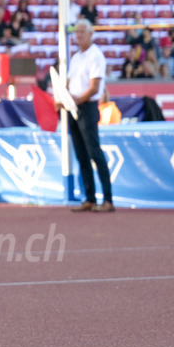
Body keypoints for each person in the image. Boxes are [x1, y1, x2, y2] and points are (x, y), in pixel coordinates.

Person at [57, 19, 114, 212]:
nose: (78, 35)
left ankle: (108, 199)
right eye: (77, 32)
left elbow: (95, 87)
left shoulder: (95, 55)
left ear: (90, 34)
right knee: (82, 155)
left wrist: (75, 100)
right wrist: (62, 97)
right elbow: (68, 82)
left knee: (94, 153)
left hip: (87, 108)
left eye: (82, 31)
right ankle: (89, 197)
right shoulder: (76, 57)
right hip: (74, 107)